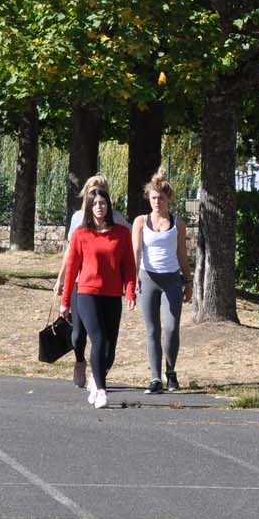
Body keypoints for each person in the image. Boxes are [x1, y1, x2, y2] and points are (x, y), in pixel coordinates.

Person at [59, 179, 136, 409]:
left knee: (110, 348)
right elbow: (72, 268)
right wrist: (65, 301)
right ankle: (101, 390)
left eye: (103, 203)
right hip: (87, 293)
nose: (100, 207)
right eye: (95, 203)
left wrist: (130, 292)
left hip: (112, 295)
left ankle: (97, 377)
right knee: (99, 339)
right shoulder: (82, 233)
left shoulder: (121, 233)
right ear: (89, 207)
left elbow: (129, 266)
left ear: (108, 206)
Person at [130, 174, 191, 394]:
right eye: (154, 198)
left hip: (171, 280)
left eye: (161, 199)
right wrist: (133, 277)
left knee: (172, 327)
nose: (157, 202)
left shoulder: (178, 224)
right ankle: (155, 378)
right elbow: (135, 251)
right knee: (152, 330)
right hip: (148, 279)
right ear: (149, 199)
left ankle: (171, 372)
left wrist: (189, 280)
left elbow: (182, 254)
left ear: (168, 200)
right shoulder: (140, 222)